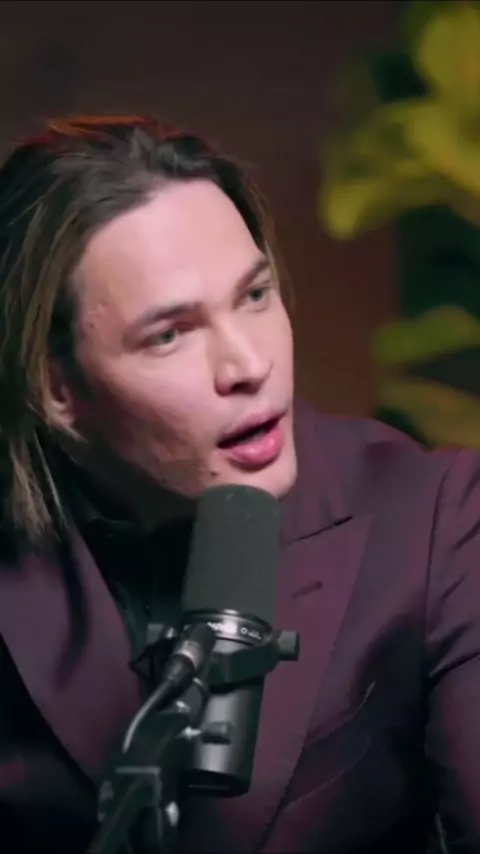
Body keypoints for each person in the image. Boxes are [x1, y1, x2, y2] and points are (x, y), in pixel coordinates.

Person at [0, 114, 479, 854]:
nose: (249, 365)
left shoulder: (435, 516)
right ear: (57, 389)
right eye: (170, 334)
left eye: (254, 296)